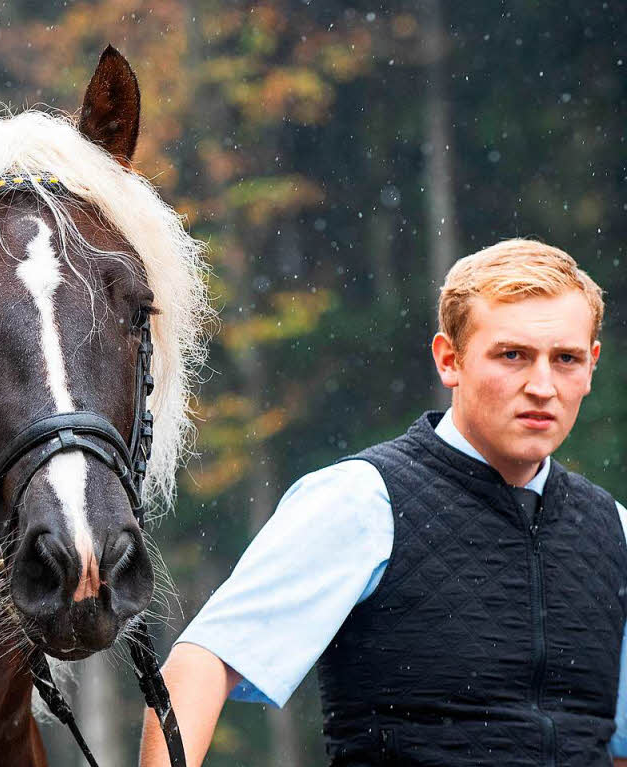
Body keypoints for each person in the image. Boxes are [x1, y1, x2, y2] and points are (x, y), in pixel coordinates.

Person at [140, 239, 627, 766]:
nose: (542, 385)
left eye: (566, 359)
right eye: (512, 355)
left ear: (592, 365)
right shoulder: (360, 501)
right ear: (450, 360)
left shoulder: (614, 529)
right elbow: (198, 668)